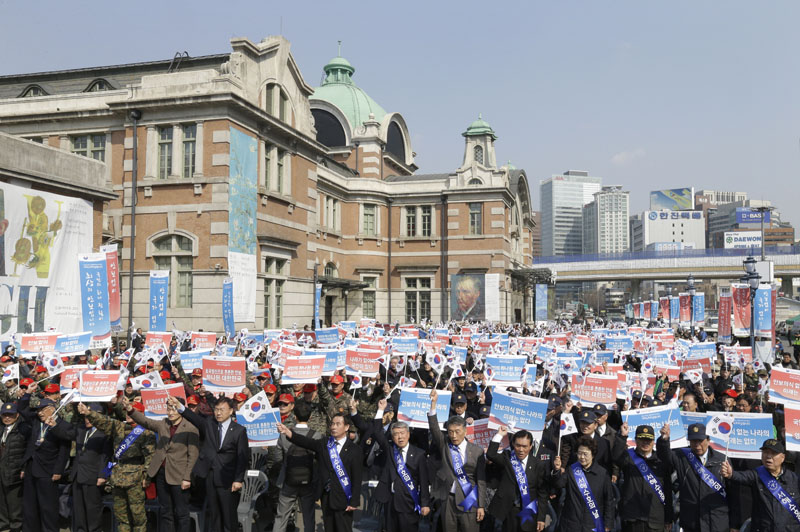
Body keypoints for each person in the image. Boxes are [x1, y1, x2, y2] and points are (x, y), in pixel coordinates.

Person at [172, 395, 249, 532]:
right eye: (216, 409)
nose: (218, 413)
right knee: (214, 516)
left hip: (228, 480)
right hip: (211, 477)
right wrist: (181, 407)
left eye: (222, 410)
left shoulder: (239, 430)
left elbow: (242, 458)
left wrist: (238, 479)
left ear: (231, 411)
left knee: (229, 517)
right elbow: (195, 418)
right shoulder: (209, 424)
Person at [276, 411, 363, 532]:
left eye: (338, 424)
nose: (333, 427)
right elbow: (306, 442)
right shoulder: (325, 443)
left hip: (344, 497)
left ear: (347, 427)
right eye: (332, 424)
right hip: (326, 495)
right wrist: (288, 432)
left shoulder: (355, 450)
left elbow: (357, 477)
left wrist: (354, 501)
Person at [124, 396, 200, 532]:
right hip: (161, 474)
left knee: (182, 513)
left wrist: (187, 477)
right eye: (168, 408)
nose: (170, 412)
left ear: (181, 410)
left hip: (179, 476)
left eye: (174, 409)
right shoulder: (163, 424)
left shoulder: (190, 428)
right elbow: (146, 421)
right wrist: (130, 410)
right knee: (166, 512)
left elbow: (193, 455)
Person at [78, 401, 155, 532]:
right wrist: (89, 413)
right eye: (127, 411)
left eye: (132, 411)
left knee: (138, 517)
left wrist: (146, 477)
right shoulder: (119, 426)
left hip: (135, 478)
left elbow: (150, 457)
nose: (128, 414)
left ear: (140, 414)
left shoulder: (146, 432)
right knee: (121, 516)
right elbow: (104, 422)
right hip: (118, 477)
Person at [427, 389, 487, 532]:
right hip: (448, 499)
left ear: (465, 431)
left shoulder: (477, 451)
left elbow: (481, 481)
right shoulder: (445, 445)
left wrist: (481, 505)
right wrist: (433, 403)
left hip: (469, 500)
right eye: (451, 432)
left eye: (457, 431)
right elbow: (434, 427)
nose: (453, 435)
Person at [370, 398, 430, 532]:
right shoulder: (390, 448)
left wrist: (425, 504)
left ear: (408, 435)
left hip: (409, 502)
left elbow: (423, 482)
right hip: (390, 501)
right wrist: (380, 410)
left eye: (402, 433)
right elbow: (377, 432)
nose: (400, 437)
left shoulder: (419, 454)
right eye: (396, 434)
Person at [657, 423, 729, 532]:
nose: (697, 445)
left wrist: (735, 523)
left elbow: (732, 492)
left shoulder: (722, 460)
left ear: (708, 440)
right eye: (693, 441)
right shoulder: (682, 456)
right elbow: (664, 456)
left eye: (700, 440)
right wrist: (664, 440)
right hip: (691, 521)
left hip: (716, 521)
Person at [19, 397, 76, 532]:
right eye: (38, 410)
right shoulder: (36, 422)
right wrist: (27, 394)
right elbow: (22, 410)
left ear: (53, 409)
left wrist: (58, 471)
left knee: (48, 507)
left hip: (48, 471)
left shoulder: (63, 425)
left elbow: (64, 451)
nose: (40, 413)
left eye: (43, 410)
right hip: (31, 468)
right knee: (29, 506)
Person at [721, 438, 800, 531]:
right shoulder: (757, 474)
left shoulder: (794, 479)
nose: (768, 456)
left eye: (773, 453)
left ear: (782, 457)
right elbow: (741, 477)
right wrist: (731, 474)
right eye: (765, 452)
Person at [271, 400, 322, 532]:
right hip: (309, 481)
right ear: (310, 417)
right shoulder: (317, 436)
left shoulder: (284, 435)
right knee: (309, 516)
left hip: (288, 481)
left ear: (294, 416)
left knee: (281, 517)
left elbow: (277, 458)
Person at [487, 426, 550, 532]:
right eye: (518, 445)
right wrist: (499, 435)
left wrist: (541, 518)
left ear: (530, 447)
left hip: (528, 510)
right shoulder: (507, 458)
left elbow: (542, 493)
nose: (521, 450)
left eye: (525, 446)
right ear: (513, 444)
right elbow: (491, 454)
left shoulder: (538, 464)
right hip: (508, 510)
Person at [614, 423, 674, 531]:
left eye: (649, 440)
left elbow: (668, 492)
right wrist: (622, 436)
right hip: (632, 518)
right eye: (642, 439)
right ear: (636, 440)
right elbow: (616, 457)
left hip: (655, 519)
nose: (645, 443)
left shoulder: (661, 461)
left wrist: (668, 518)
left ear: (653, 441)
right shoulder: (628, 458)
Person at [62, 403, 110, 532]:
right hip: (78, 475)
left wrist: (103, 475)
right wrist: (54, 423)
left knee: (93, 510)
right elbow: (65, 433)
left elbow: (107, 458)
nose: (87, 420)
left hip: (94, 477)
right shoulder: (81, 429)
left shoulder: (105, 433)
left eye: (90, 417)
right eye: (85, 417)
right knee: (79, 509)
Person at [552, 435, 615, 532]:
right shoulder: (571, 470)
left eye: (585, 454)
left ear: (593, 455)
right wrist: (557, 470)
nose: (581, 457)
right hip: (571, 524)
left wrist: (608, 524)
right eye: (579, 453)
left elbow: (609, 500)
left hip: (593, 524)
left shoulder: (602, 474)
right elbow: (558, 484)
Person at [0, 402, 30, 532]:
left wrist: (23, 468)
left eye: (10, 415)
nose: (7, 418)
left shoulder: (23, 429)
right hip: (1, 468)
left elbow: (28, 451)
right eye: (4, 415)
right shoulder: (1, 429)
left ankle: (16, 524)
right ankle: (3, 522)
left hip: (15, 469)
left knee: (14, 501)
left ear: (17, 416)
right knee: (2, 499)